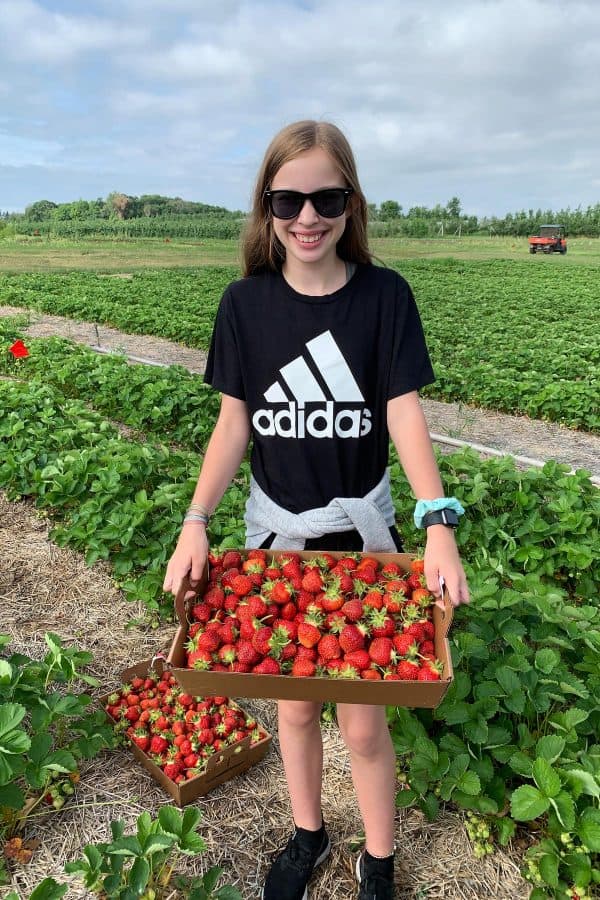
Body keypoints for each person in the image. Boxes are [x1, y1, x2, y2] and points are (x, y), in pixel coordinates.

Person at [163, 119, 470, 900]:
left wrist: (437, 526)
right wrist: (195, 520)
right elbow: (234, 423)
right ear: (266, 207)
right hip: (276, 543)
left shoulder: (384, 298)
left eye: (326, 196)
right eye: (288, 199)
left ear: (350, 202)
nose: (308, 216)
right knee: (295, 709)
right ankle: (307, 833)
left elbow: (404, 414)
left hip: (363, 538)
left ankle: (379, 858)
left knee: (365, 726)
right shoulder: (246, 305)